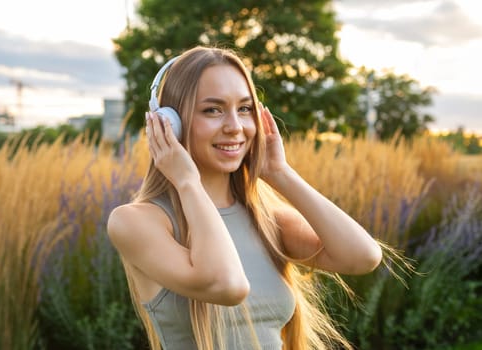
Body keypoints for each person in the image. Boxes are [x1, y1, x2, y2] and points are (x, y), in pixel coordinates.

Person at [107, 46, 383, 350]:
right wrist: (186, 181)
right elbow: (227, 285)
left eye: (245, 109)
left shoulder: (266, 219)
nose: (235, 127)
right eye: (212, 110)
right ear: (169, 123)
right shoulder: (135, 221)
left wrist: (280, 173)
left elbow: (363, 256)